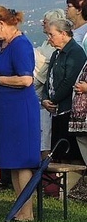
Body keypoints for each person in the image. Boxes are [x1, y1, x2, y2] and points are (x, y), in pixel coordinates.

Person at [0, 6, 40, 222]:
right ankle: (19, 209)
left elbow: (26, 80)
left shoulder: (20, 45)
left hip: (20, 109)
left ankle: (27, 213)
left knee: (22, 161)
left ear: (2, 24)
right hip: (5, 109)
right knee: (13, 162)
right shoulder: (2, 45)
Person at [41, 18, 86, 163]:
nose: (49, 39)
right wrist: (45, 99)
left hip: (68, 109)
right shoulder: (56, 54)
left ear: (64, 34)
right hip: (56, 111)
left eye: (51, 35)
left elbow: (70, 81)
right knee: (59, 151)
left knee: (71, 153)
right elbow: (49, 79)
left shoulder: (75, 52)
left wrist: (53, 99)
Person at [35, 9, 66, 157]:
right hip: (43, 97)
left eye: (45, 23)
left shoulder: (54, 49)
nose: (42, 25)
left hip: (49, 99)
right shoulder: (47, 45)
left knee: (46, 138)